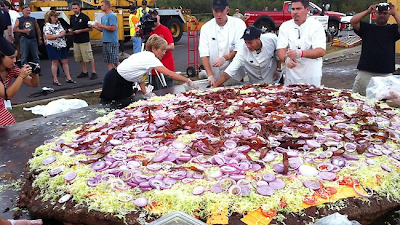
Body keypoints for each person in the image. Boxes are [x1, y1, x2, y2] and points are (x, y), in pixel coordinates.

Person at [100, 34, 198, 107]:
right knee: (109, 106)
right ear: (154, 49)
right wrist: (187, 80)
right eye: (162, 50)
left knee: (124, 105)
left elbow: (141, 76)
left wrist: (145, 92)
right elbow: (169, 74)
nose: (164, 53)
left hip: (123, 81)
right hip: (115, 80)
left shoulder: (145, 56)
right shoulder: (150, 58)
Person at [350, 2, 400, 96]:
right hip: (365, 74)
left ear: (389, 15)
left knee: (385, 104)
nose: (382, 15)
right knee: (359, 101)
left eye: (385, 13)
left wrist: (395, 13)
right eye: (379, 13)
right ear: (375, 14)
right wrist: (368, 11)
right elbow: (353, 21)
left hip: (385, 75)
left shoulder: (393, 29)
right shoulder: (367, 28)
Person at [276, 0, 326, 86]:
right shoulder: (285, 26)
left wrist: (301, 53)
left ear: (307, 9)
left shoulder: (316, 26)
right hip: (291, 77)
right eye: (293, 9)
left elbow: (320, 51)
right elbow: (280, 50)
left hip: (311, 77)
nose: (295, 12)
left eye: (298, 9)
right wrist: (286, 59)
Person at [213, 27, 281, 87]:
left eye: (250, 43)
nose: (248, 46)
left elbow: (278, 54)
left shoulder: (271, 39)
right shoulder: (242, 51)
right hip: (255, 84)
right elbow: (229, 71)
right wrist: (215, 86)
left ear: (258, 39)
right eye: (246, 42)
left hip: (274, 79)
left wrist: (278, 69)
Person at [199, 0, 246, 86]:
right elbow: (204, 53)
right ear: (212, 11)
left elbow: (240, 49)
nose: (219, 14)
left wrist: (225, 58)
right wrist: (210, 75)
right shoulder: (206, 28)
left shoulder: (238, 24)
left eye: (221, 11)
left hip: (235, 74)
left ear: (227, 10)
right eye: (216, 11)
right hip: (215, 74)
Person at [0, 36, 40, 127]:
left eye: (15, 57)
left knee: (12, 131)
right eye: (11, 58)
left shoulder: (11, 69)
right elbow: (7, 95)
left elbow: (34, 84)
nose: (14, 61)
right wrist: (21, 76)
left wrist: (34, 72)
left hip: (1, 108)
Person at [43, 10, 75, 86]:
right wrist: (59, 35)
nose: (56, 18)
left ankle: (68, 77)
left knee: (65, 61)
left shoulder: (59, 24)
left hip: (62, 44)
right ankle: (55, 79)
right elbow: (47, 36)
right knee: (55, 62)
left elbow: (63, 31)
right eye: (54, 16)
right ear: (50, 17)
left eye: (56, 16)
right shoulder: (47, 26)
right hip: (52, 45)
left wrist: (67, 32)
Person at [149, 9, 175, 90]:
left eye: (155, 16)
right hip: (154, 69)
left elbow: (171, 46)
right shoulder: (148, 31)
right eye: (151, 16)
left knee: (168, 90)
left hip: (166, 66)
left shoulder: (164, 30)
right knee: (156, 90)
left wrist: (160, 48)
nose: (153, 18)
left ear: (159, 17)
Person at [70, 2, 97, 80]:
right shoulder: (72, 17)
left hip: (84, 40)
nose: (74, 10)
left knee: (89, 57)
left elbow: (90, 28)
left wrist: (80, 31)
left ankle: (93, 72)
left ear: (79, 8)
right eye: (73, 8)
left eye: (76, 8)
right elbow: (71, 27)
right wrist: (70, 31)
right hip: (76, 40)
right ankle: (84, 72)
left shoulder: (85, 17)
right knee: (80, 57)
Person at [92, 0, 119, 70]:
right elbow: (102, 29)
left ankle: (125, 74)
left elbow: (113, 28)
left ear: (106, 6)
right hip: (105, 41)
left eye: (102, 5)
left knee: (115, 61)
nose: (100, 7)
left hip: (112, 41)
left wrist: (100, 25)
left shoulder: (112, 16)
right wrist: (94, 26)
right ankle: (110, 77)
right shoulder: (103, 17)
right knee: (109, 61)